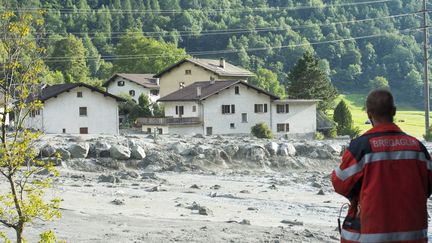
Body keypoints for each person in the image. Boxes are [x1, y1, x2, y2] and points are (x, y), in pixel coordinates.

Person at [332, 89, 432, 243]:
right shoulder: (418, 148)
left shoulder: (361, 148)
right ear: (394, 111)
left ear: (368, 114)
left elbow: (339, 183)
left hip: (370, 235)